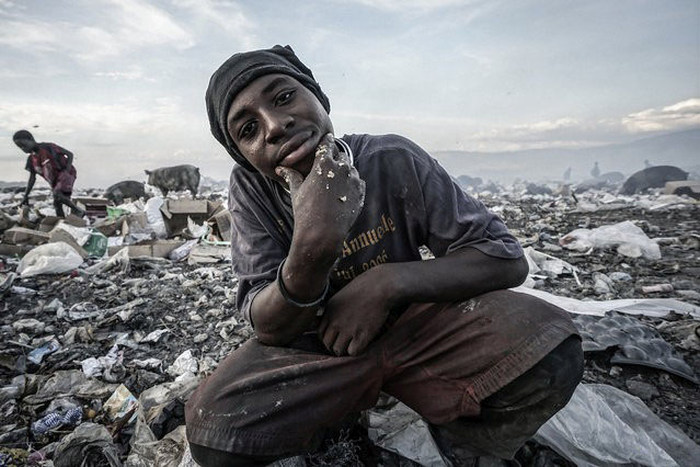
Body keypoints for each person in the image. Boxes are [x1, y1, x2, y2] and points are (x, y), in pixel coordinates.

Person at [185, 45, 583, 466]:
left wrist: (385, 284)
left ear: (319, 96)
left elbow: (504, 257)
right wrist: (312, 247)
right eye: (247, 130)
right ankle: (341, 424)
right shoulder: (252, 192)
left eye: (284, 97)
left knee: (550, 344)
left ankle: (462, 443)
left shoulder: (390, 159)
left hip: (419, 332)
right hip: (317, 351)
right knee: (215, 430)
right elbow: (266, 322)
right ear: (242, 157)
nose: (275, 126)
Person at [12, 130, 85, 217]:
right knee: (57, 204)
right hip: (54, 181)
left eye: (24, 145)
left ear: (31, 139)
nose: (23, 149)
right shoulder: (31, 160)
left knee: (57, 194)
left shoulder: (48, 147)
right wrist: (25, 196)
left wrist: (67, 171)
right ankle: (60, 222)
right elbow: (32, 179)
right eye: (20, 147)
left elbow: (69, 154)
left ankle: (78, 211)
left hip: (66, 173)